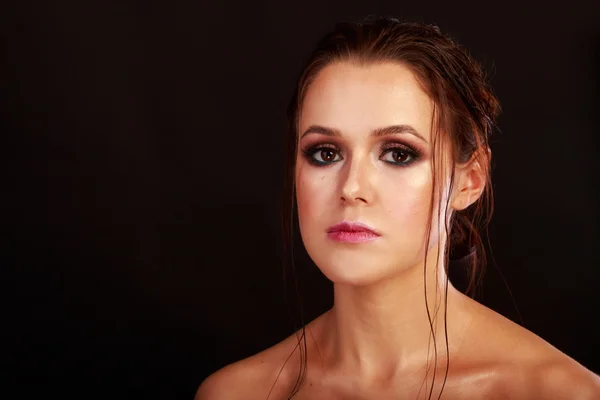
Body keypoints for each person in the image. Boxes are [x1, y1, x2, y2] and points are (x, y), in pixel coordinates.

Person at [196, 16, 600, 399]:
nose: (351, 188)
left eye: (397, 154)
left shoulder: (563, 392)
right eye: (324, 153)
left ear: (470, 180)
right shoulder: (237, 393)